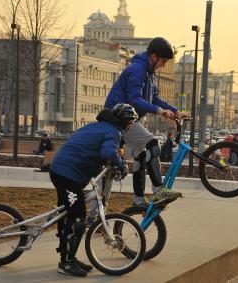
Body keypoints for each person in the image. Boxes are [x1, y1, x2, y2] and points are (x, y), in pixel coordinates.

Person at [49, 103, 137, 277]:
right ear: (124, 122)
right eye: (130, 122)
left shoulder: (100, 127)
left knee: (68, 215)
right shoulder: (113, 132)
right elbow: (107, 154)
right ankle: (66, 263)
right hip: (67, 174)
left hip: (66, 171)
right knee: (79, 219)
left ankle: (68, 258)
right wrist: (122, 167)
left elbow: (97, 150)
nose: (130, 126)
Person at [104, 37, 188, 205]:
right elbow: (134, 99)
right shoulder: (137, 70)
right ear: (154, 56)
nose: (163, 65)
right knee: (152, 144)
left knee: (137, 157)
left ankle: (138, 199)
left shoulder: (150, 75)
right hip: (118, 120)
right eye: (163, 60)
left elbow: (154, 99)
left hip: (127, 121)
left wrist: (174, 111)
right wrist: (159, 111)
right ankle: (159, 190)